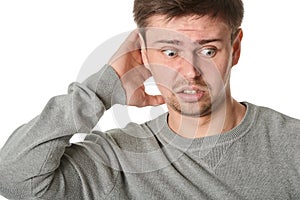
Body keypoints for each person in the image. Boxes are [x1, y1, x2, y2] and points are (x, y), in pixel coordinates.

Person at [0, 0, 300, 199]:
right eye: (170, 52)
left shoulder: (292, 145)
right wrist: (100, 91)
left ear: (234, 49)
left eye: (208, 51)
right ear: (142, 52)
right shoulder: (116, 159)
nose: (190, 72)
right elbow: (15, 178)